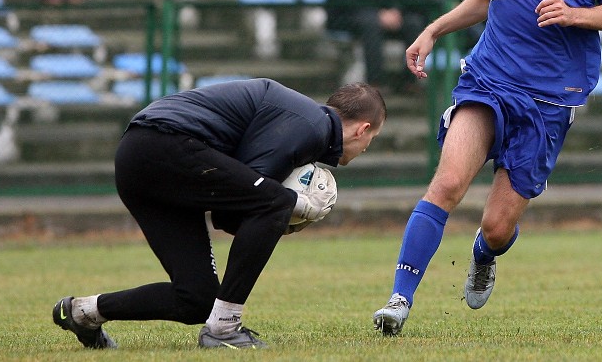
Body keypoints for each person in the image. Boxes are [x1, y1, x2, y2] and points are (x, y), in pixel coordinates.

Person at [372, 0, 602, 335]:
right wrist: (433, 29)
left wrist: (573, 14)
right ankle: (398, 301)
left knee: (495, 226)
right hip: (489, 81)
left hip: (550, 98)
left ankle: (484, 254)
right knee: (446, 185)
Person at [52, 79, 386, 350]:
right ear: (362, 129)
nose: (366, 147)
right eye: (371, 138)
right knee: (276, 201)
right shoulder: (309, 123)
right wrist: (293, 208)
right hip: (164, 144)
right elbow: (257, 201)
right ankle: (225, 328)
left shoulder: (303, 122)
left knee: (197, 299)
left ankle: (84, 312)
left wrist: (275, 217)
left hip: (140, 159)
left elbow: (230, 214)